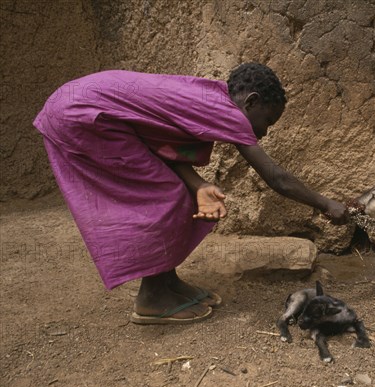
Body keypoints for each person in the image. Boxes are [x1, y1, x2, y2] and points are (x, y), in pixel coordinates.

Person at [33, 63, 348, 325]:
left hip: (77, 105)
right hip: (80, 116)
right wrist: (325, 204)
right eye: (266, 121)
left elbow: (158, 145)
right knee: (164, 198)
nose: (263, 133)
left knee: (177, 192)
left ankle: (167, 283)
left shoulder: (209, 98)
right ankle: (152, 297)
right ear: (250, 102)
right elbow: (276, 178)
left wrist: (197, 185)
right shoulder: (229, 113)